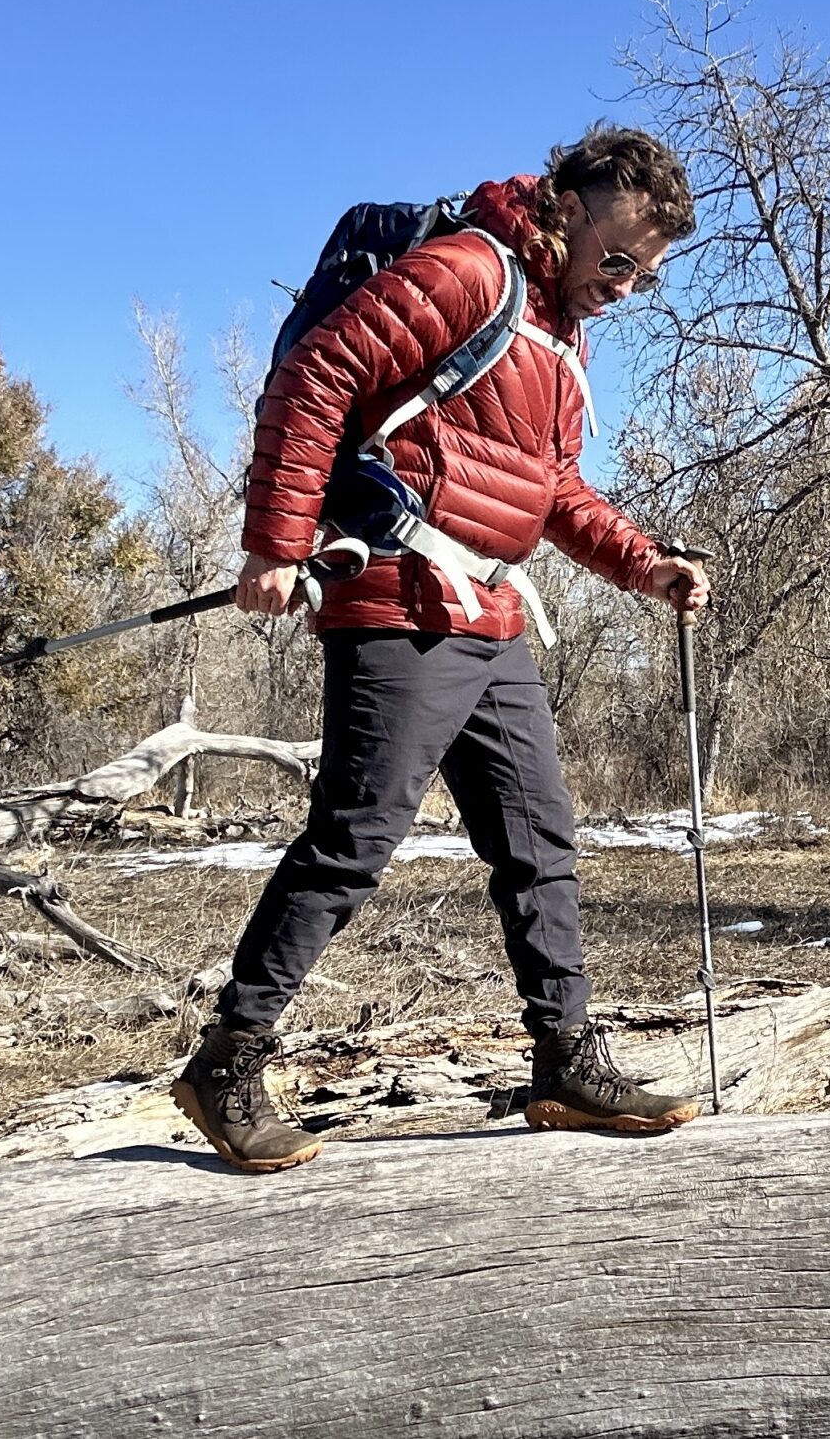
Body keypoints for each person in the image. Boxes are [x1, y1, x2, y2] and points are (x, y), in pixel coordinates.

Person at [171, 126, 712, 1172]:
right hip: (399, 597)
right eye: (618, 261)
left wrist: (643, 564)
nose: (626, 286)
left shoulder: (560, 335)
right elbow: (316, 379)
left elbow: (548, 490)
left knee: (537, 837)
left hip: (493, 612)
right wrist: (276, 545)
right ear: (569, 206)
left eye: (646, 276)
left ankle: (564, 1059)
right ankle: (227, 1062)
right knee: (356, 837)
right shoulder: (470, 271)